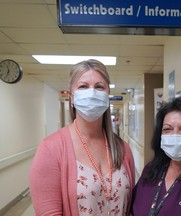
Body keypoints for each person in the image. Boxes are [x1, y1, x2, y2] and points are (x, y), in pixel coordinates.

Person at [29, 59, 135, 216]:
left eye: (99, 87)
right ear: (72, 96)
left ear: (107, 96)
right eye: (83, 86)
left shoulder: (122, 148)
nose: (92, 92)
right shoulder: (51, 149)